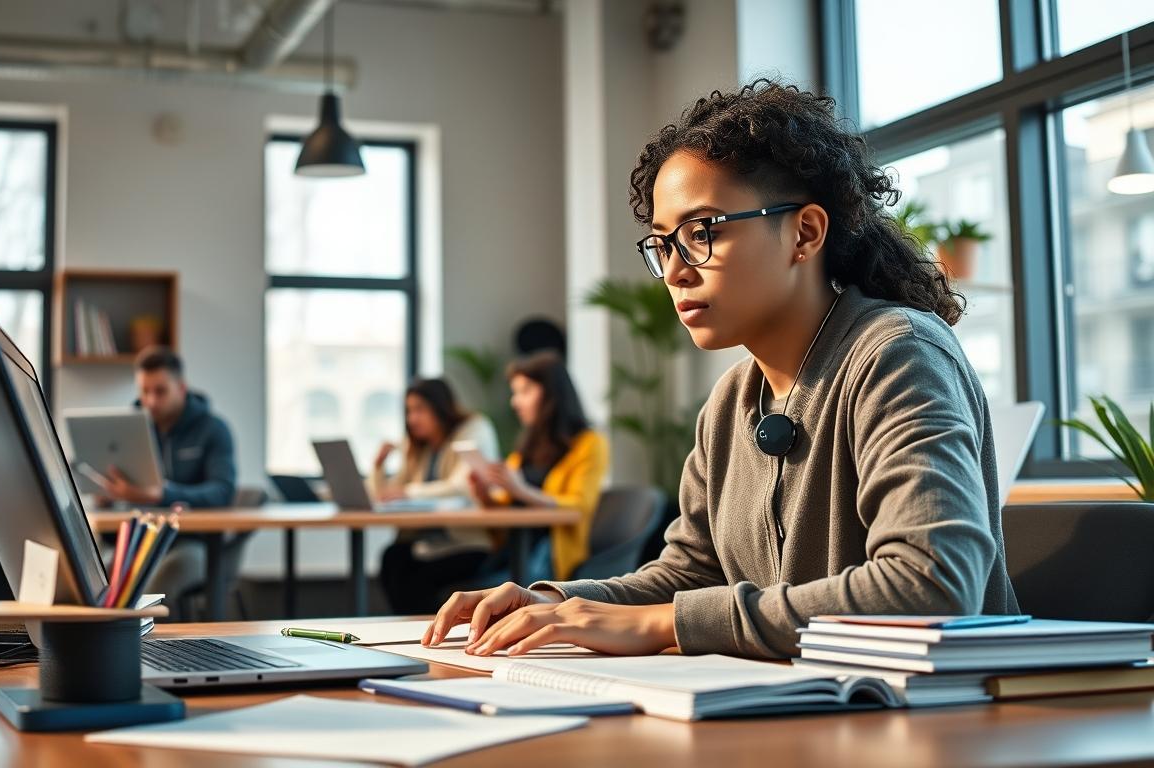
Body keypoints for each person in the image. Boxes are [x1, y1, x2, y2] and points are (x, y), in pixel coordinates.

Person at [423, 80, 1018, 659]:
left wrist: (662, 625)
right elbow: (689, 574)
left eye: (702, 232)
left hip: (936, 721)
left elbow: (930, 586)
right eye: (662, 245)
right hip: (795, 710)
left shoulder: (897, 354)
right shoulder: (733, 399)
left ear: (804, 233)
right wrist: (551, 602)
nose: (677, 271)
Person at [382, 352, 608, 615]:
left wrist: (520, 489)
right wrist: (485, 493)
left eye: (524, 391)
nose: (515, 402)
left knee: (432, 583)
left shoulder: (590, 444)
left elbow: (577, 507)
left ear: (551, 395)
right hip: (508, 550)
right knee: (401, 564)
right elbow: (505, 497)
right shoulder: (528, 445)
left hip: (548, 556)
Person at [99, 346, 237, 614]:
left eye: (160, 391)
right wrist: (106, 491)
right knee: (94, 577)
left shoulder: (213, 429)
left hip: (193, 542)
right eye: (144, 392)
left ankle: (155, 655)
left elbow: (223, 491)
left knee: (153, 584)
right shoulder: (128, 429)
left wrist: (161, 495)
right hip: (138, 538)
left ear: (181, 388)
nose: (150, 401)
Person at [374, 378, 500, 614]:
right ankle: (406, 630)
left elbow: (460, 486)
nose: (412, 419)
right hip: (428, 543)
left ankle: (424, 633)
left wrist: (407, 492)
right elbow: (387, 494)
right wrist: (378, 466)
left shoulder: (474, 428)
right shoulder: (420, 447)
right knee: (392, 558)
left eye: (419, 409)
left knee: (415, 576)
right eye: (409, 411)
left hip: (467, 543)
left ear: (440, 406)